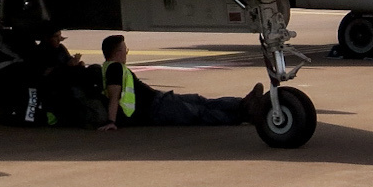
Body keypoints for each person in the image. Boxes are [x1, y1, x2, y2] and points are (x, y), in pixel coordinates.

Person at [98, 35, 267, 130]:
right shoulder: (114, 68)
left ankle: (244, 104)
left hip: (158, 100)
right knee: (198, 112)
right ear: (118, 52)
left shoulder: (111, 68)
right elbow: (115, 95)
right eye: (125, 50)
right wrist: (111, 122)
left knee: (200, 101)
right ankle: (244, 114)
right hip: (155, 108)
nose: (126, 53)